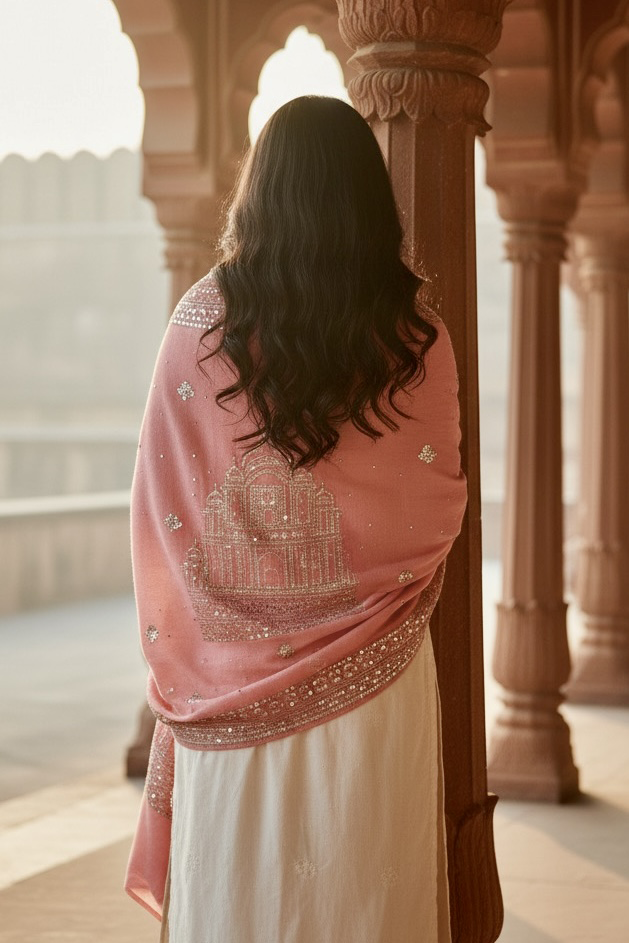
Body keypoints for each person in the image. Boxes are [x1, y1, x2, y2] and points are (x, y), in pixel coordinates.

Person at [125, 95, 467, 943]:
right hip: (377, 679)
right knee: (364, 898)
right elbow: (435, 504)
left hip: (226, 679)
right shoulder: (415, 333)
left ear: (259, 190)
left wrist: (233, 622)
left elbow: (167, 510)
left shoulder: (199, 326)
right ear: (365, 194)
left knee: (242, 901)